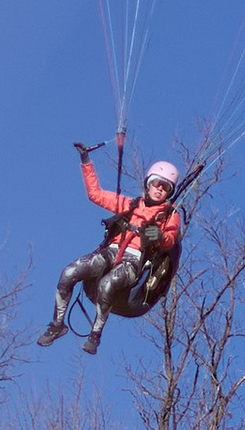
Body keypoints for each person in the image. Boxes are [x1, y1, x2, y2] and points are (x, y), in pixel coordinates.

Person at [38, 140, 186, 356]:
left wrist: (160, 236)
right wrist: (86, 161)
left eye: (165, 187)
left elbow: (170, 240)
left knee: (107, 285)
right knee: (69, 272)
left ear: (169, 192)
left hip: (134, 260)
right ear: (148, 183)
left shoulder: (170, 216)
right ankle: (57, 325)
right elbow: (95, 194)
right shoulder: (129, 204)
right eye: (156, 183)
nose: (159, 189)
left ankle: (95, 335)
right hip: (110, 252)